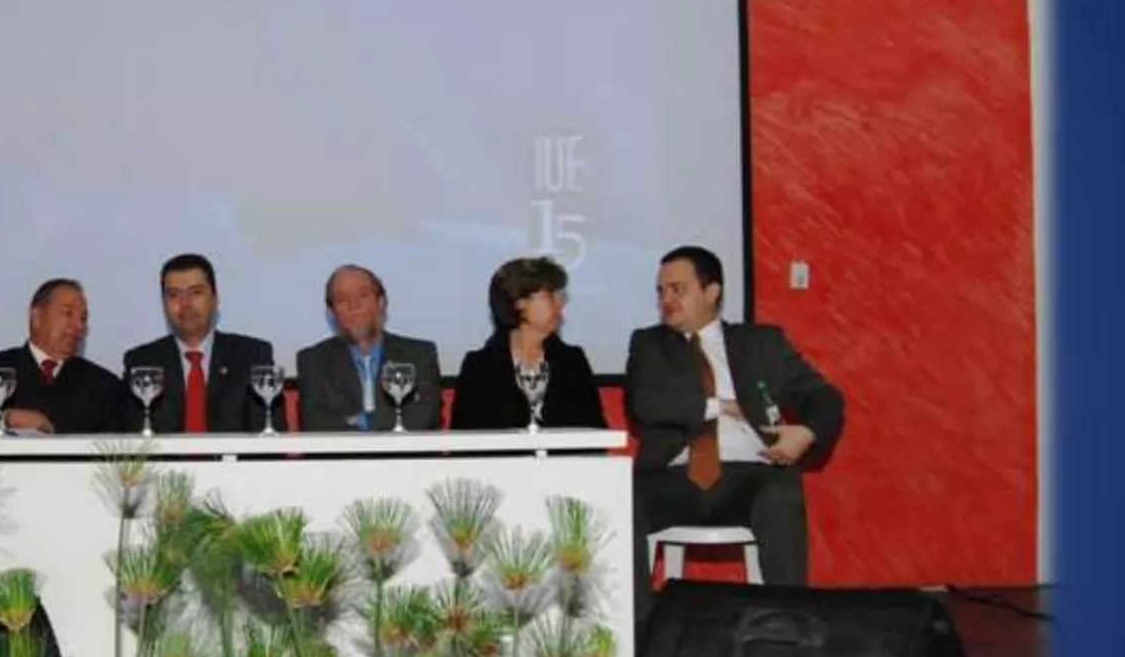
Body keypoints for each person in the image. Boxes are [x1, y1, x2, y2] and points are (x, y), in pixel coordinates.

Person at [624, 244, 844, 623]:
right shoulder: (648, 344)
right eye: (661, 291)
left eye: (678, 289)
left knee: (781, 493)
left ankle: (786, 629)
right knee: (622, 498)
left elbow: (824, 396)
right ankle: (637, 635)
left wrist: (806, 432)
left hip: (749, 476)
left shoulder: (763, 343)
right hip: (673, 477)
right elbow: (646, 404)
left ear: (712, 292)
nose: (667, 300)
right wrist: (718, 406)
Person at [120, 253, 286, 433]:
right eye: (174, 295)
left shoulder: (251, 355)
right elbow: (134, 439)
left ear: (214, 299)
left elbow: (268, 437)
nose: (185, 304)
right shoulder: (142, 361)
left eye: (196, 293)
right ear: (164, 303)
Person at [447, 256, 607, 431]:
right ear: (519, 302)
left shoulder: (572, 362)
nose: (559, 305)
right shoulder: (479, 366)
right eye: (550, 297)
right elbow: (464, 437)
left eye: (560, 296)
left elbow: (595, 430)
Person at [0, 279, 128, 435]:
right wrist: (6, 419)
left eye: (83, 318)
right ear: (36, 317)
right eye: (68, 313)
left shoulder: (104, 384)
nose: (78, 326)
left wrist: (55, 430)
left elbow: (116, 448)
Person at [296, 264, 441, 432]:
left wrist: (361, 421)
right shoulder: (313, 361)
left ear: (381, 303)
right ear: (332, 312)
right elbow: (317, 424)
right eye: (342, 300)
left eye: (363, 295)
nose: (354, 306)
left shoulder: (419, 355)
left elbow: (423, 418)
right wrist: (387, 419)